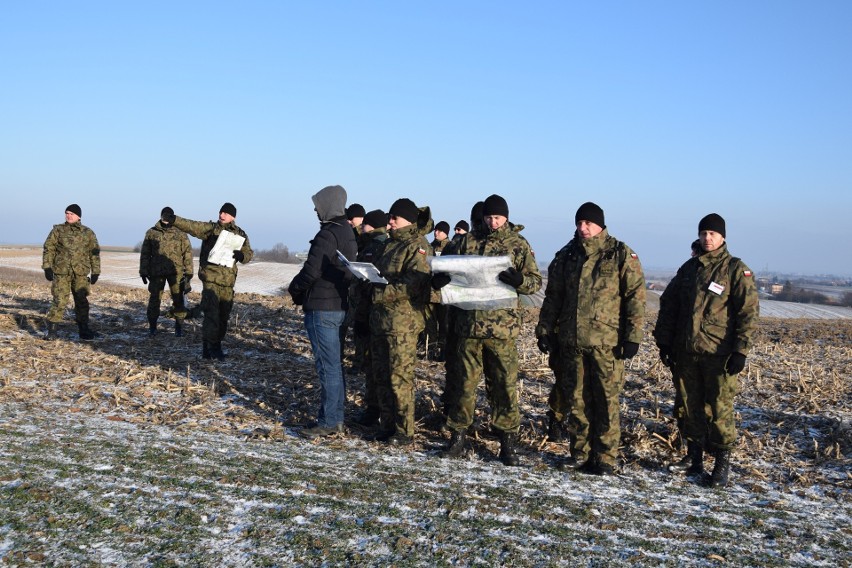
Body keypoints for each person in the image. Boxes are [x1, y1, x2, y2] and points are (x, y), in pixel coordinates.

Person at [535, 202, 645, 475]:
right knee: (578, 401)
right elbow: (553, 297)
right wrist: (545, 329)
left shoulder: (620, 254)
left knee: (607, 402)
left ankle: (605, 457)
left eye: (589, 223)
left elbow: (635, 298)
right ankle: (580, 453)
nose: (583, 228)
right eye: (579, 223)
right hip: (572, 342)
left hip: (607, 344)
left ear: (600, 225)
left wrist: (633, 337)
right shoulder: (566, 255)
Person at [436, 194, 542, 466]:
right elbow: (443, 269)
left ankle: (507, 442)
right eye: (489, 217)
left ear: (506, 217)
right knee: (463, 386)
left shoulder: (517, 245)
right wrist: (440, 278)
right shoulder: (465, 242)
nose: (493, 222)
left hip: (501, 330)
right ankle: (457, 437)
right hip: (467, 326)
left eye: (498, 217)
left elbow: (534, 282)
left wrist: (520, 280)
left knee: (504, 387)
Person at [654, 213, 759, 488]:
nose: (707, 238)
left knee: (719, 409)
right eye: (703, 233)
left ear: (723, 237)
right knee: (689, 407)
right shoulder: (690, 269)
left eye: (712, 233)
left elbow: (748, 313)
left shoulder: (735, 270)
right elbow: (669, 305)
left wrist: (740, 350)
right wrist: (664, 342)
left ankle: (722, 466)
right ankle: (694, 458)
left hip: (718, 355)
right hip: (686, 353)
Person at [288, 185, 358, 439]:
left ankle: (329, 421)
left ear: (328, 204)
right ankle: (335, 418)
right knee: (334, 365)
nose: (316, 209)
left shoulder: (328, 234)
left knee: (327, 366)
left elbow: (311, 271)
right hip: (338, 305)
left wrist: (294, 288)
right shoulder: (347, 231)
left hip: (322, 306)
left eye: (318, 204)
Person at [370, 198, 433, 446]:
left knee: (400, 378)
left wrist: (380, 292)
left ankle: (404, 431)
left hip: (402, 324)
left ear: (408, 220)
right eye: (390, 217)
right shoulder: (387, 245)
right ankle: (386, 425)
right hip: (380, 321)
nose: (390, 221)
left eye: (395, 218)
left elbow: (416, 283)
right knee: (381, 376)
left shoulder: (417, 246)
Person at [166, 203, 253, 361]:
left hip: (227, 282)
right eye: (221, 211)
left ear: (233, 216)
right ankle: (211, 348)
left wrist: (242, 256)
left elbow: (248, 253)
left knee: (223, 317)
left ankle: (213, 345)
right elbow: (192, 226)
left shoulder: (240, 234)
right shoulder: (211, 229)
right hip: (211, 279)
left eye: (226, 213)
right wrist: (174, 220)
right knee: (211, 316)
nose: (222, 214)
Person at [350, 208, 390, 426]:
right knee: (373, 365)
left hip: (373, 313)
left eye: (364, 224)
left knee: (375, 366)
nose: (361, 227)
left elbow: (369, 286)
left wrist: (361, 316)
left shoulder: (375, 246)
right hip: (372, 313)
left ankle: (376, 410)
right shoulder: (374, 244)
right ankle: (375, 409)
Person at [42, 203, 101, 340]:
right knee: (60, 300)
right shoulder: (58, 230)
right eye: (67, 213)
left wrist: (96, 271)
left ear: (78, 216)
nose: (68, 216)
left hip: (80, 273)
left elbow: (94, 253)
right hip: (61, 272)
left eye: (71, 214)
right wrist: (47, 267)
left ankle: (84, 330)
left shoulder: (88, 233)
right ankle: (52, 332)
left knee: (81, 301)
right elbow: (48, 248)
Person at [139, 207, 194, 337]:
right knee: (154, 300)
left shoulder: (180, 233)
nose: (166, 218)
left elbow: (187, 253)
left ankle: (179, 327)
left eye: (169, 216)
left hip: (176, 273)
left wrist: (189, 273)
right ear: (160, 216)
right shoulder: (152, 233)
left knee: (178, 300)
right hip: (156, 272)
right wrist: (143, 270)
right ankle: (152, 327)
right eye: (164, 215)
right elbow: (145, 253)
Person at [423, 220, 452, 359]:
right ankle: (431, 348)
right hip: (430, 290)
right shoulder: (429, 247)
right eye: (435, 230)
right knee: (430, 323)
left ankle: (444, 349)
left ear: (446, 233)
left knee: (444, 323)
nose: (436, 232)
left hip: (444, 292)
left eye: (439, 231)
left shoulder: (451, 247)